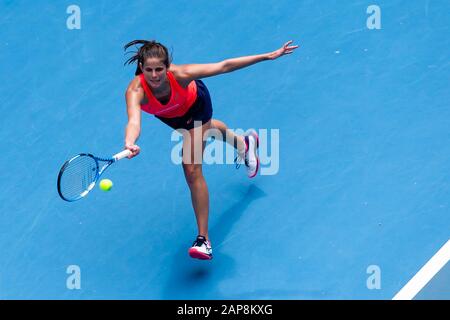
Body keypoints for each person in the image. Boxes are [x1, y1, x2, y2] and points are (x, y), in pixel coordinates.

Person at [123, 39, 299, 260]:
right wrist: (130, 141)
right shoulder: (135, 91)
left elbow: (224, 65)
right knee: (209, 130)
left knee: (191, 168)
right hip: (171, 115)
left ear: (167, 67)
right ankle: (245, 144)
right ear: (141, 67)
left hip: (197, 105)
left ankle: (203, 240)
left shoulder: (182, 74)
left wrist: (267, 56)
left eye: (160, 69)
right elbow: (134, 122)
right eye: (149, 70)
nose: (155, 75)